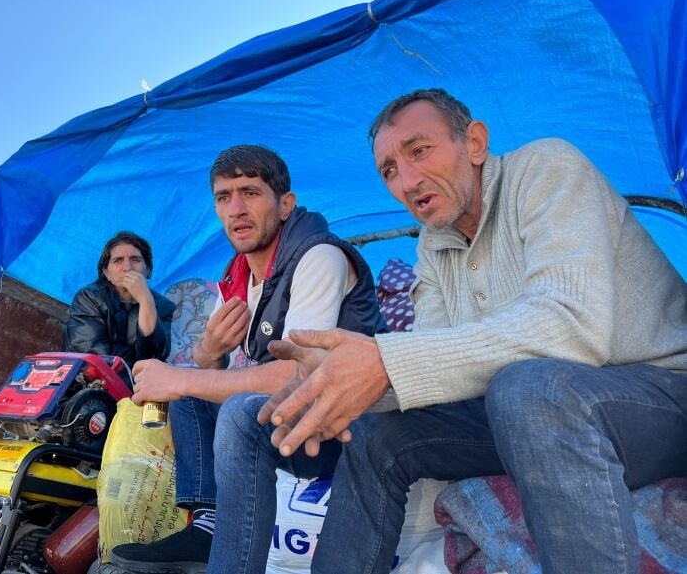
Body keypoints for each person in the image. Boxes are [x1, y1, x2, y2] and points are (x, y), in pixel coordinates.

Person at [218, 88, 687, 574]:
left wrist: (383, 361)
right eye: (390, 171)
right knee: (374, 432)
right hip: (526, 412)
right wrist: (340, 388)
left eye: (419, 150)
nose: (407, 180)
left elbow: (570, 329)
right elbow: (435, 372)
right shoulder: (434, 244)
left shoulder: (548, 169)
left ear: (476, 144)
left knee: (528, 387)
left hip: (660, 397)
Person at [109, 144, 386, 573]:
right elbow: (214, 373)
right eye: (224, 197)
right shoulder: (238, 278)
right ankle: (207, 524)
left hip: (342, 424)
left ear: (285, 204)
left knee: (226, 404)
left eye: (251, 192)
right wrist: (208, 353)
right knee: (193, 389)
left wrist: (182, 378)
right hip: (292, 419)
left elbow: (301, 375)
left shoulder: (318, 257)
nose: (236, 208)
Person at [64, 231, 175, 370]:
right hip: (94, 383)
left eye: (135, 259)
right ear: (106, 272)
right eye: (118, 260)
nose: (127, 268)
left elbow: (157, 355)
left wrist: (146, 301)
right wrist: (137, 361)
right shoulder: (89, 297)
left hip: (143, 384)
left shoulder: (164, 306)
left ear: (147, 269)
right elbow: (93, 353)